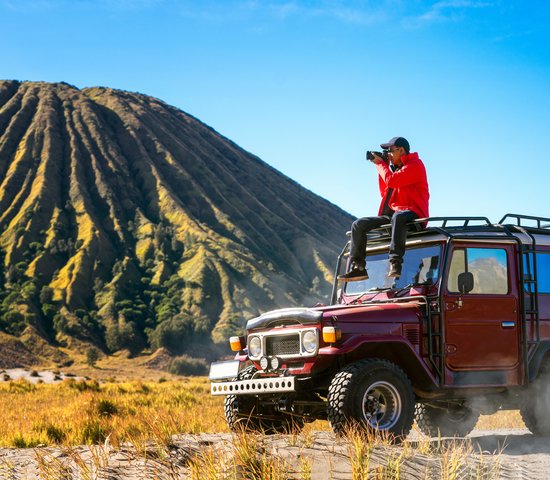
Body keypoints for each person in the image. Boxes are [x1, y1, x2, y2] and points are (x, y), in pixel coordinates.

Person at [338, 136, 429, 281]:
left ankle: (395, 263)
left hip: (413, 214)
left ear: (401, 150)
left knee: (398, 217)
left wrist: (381, 164)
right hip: (394, 214)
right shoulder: (397, 169)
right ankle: (358, 268)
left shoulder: (415, 165)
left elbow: (392, 181)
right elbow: (385, 191)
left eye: (390, 151)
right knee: (358, 224)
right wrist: (383, 165)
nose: (388, 154)